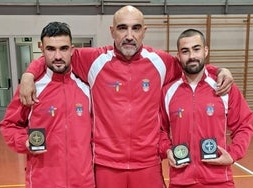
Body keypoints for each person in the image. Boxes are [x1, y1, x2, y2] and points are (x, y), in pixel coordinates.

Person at [19, 6, 233, 188]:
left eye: (135, 28)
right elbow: (58, 57)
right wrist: (29, 74)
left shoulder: (160, 62)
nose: (129, 35)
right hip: (106, 165)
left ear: (144, 31)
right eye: (122, 28)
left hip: (147, 164)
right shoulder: (93, 60)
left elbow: (192, 64)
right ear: (112, 31)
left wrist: (219, 70)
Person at [0, 22, 94, 188]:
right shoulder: (32, 88)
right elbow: (9, 124)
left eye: (63, 49)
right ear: (41, 49)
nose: (58, 56)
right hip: (43, 182)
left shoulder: (87, 88)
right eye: (51, 49)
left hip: (83, 182)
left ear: (72, 50)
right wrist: (25, 142)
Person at [159, 29, 253, 188]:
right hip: (181, 181)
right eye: (185, 51)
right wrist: (167, 150)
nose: (192, 56)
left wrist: (233, 154)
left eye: (196, 49)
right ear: (178, 56)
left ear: (205, 50)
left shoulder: (223, 86)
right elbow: (159, 129)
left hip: (220, 181)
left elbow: (244, 124)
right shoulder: (167, 92)